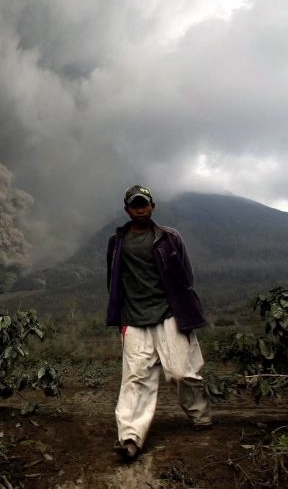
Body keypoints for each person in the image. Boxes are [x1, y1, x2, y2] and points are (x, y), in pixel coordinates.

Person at [106, 184, 212, 460]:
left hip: (169, 314)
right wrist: (120, 317)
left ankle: (199, 413)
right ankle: (130, 437)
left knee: (181, 372)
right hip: (134, 317)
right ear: (126, 209)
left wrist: (186, 311)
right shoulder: (117, 242)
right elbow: (114, 281)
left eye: (144, 203)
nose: (140, 209)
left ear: (152, 206)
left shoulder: (169, 238)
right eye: (134, 205)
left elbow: (185, 277)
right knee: (135, 378)